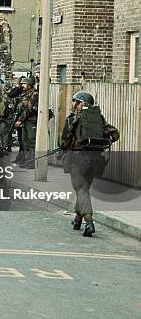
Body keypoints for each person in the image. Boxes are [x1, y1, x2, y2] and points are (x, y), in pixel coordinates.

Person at [59, 91, 119, 237]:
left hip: (77, 160)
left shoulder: (72, 119)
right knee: (84, 189)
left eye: (76, 101)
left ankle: (89, 223)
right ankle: (78, 220)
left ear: (82, 104)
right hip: (95, 159)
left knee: (81, 190)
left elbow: (63, 142)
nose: (73, 104)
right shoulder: (99, 119)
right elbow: (115, 134)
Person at [15, 77, 39, 168]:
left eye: (24, 84)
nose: (23, 85)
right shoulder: (24, 94)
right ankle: (26, 160)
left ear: (29, 85)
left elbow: (29, 109)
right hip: (25, 120)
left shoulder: (34, 94)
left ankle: (31, 162)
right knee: (24, 142)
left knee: (31, 142)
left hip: (31, 121)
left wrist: (20, 119)